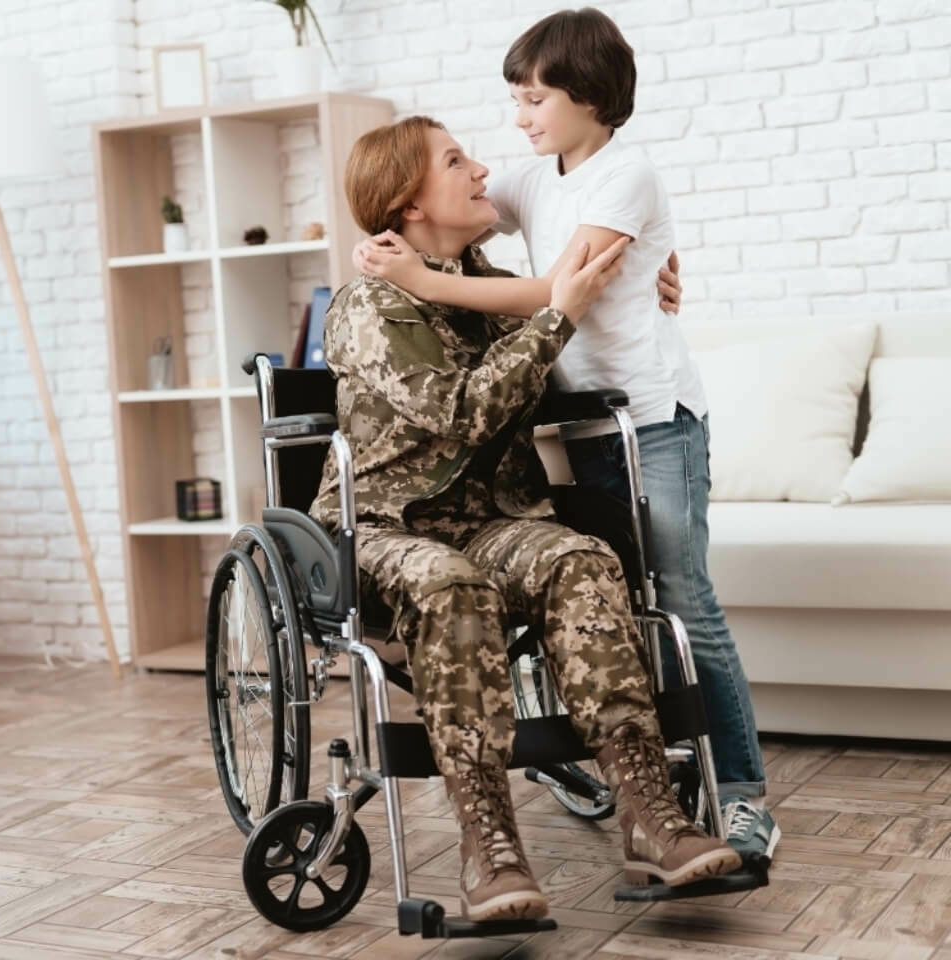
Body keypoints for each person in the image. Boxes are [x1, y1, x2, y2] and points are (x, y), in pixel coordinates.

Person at [350, 8, 778, 866]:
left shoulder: (625, 176)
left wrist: (425, 280)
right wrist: (401, 266)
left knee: (676, 597)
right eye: (514, 101)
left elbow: (555, 289)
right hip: (571, 433)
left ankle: (736, 797)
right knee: (625, 590)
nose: (512, 126)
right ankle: (605, 795)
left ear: (585, 95)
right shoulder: (534, 182)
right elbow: (465, 222)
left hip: (649, 419)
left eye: (532, 97)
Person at [311, 115, 740, 924]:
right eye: (455, 160)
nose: (482, 170)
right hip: (387, 527)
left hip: (492, 519)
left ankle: (651, 818)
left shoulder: (490, 287)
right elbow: (464, 411)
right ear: (406, 205)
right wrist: (560, 313)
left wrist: (642, 289)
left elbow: (569, 341)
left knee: (580, 559)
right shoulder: (368, 303)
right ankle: (490, 849)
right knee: (451, 586)